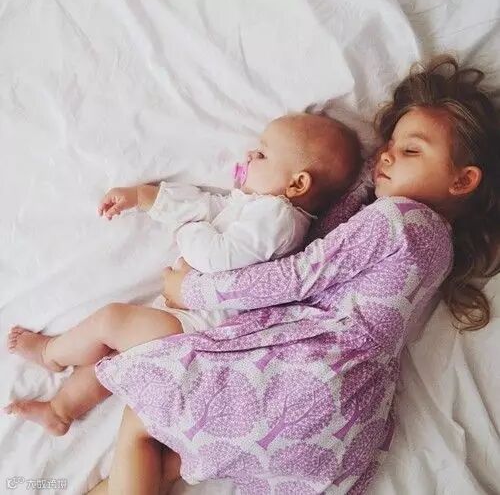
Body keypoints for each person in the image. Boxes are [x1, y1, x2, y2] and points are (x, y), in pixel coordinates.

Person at [90, 55, 499, 494]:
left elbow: (300, 273)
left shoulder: (396, 219)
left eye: (411, 150)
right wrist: (366, 180)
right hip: (345, 420)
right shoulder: (442, 247)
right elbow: (332, 243)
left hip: (306, 380)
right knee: (172, 457)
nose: (387, 155)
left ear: (463, 180)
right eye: (389, 145)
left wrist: (194, 290)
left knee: (143, 414)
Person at [4, 112, 362, 435]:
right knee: (115, 355)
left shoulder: (277, 218)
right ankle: (60, 410)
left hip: (199, 330)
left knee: (112, 322)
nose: (250, 155)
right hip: (189, 320)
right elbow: (209, 205)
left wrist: (186, 228)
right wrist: (147, 198)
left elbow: (216, 255)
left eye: (263, 154)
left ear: (297, 184)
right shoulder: (260, 207)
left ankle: (52, 354)